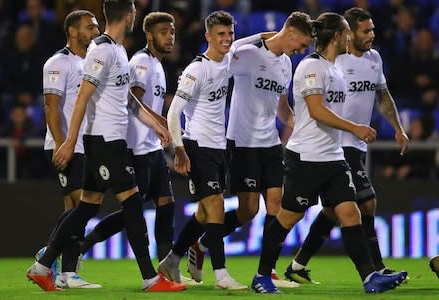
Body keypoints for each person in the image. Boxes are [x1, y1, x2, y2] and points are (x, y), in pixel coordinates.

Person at [26, 0, 186, 293]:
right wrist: (70, 142)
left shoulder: (118, 50)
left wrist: (157, 125)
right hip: (104, 141)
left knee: (85, 207)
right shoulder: (101, 50)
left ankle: (42, 266)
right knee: (133, 204)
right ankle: (151, 278)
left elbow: (127, 100)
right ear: (130, 16)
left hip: (109, 140)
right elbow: (83, 97)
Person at [250, 12, 408, 294]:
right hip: (306, 158)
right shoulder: (312, 67)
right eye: (347, 32)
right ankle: (262, 275)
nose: (349, 37)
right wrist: (355, 127)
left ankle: (370, 277)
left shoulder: (334, 68)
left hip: (334, 156)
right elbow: (316, 110)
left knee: (351, 213)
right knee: (289, 217)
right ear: (337, 36)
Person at [185, 11, 315, 289]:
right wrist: (259, 37)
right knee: (247, 211)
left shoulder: (286, 64)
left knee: (276, 205)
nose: (301, 51)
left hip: (269, 143)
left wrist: (297, 124)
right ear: (290, 32)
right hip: (242, 143)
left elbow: (282, 106)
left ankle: (267, 272)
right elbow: (221, 55)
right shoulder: (248, 54)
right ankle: (202, 243)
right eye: (301, 44)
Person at [158, 10, 273, 290]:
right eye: (220, 34)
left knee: (203, 213)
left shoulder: (230, 54)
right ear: (208, 36)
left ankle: (172, 258)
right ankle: (221, 274)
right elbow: (173, 112)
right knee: (216, 209)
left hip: (219, 147)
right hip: (197, 145)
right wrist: (179, 149)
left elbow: (252, 40)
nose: (226, 39)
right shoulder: (197, 69)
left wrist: (276, 36)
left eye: (229, 33)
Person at [76, 11, 190, 280]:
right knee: (132, 209)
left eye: (172, 32)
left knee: (166, 204)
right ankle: (81, 247)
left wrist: (164, 124)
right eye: (164, 32)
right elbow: (133, 101)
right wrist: (157, 124)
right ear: (149, 35)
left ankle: (167, 265)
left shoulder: (158, 64)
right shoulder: (141, 62)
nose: (170, 37)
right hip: (135, 146)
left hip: (151, 147)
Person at [31, 10, 102, 289]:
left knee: (74, 207)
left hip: (88, 145)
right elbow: (52, 107)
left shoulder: (95, 59)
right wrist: (63, 145)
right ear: (72, 31)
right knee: (83, 206)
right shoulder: (58, 63)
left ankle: (58, 265)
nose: (95, 31)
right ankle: (56, 262)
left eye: (96, 26)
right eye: (89, 27)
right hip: (66, 146)